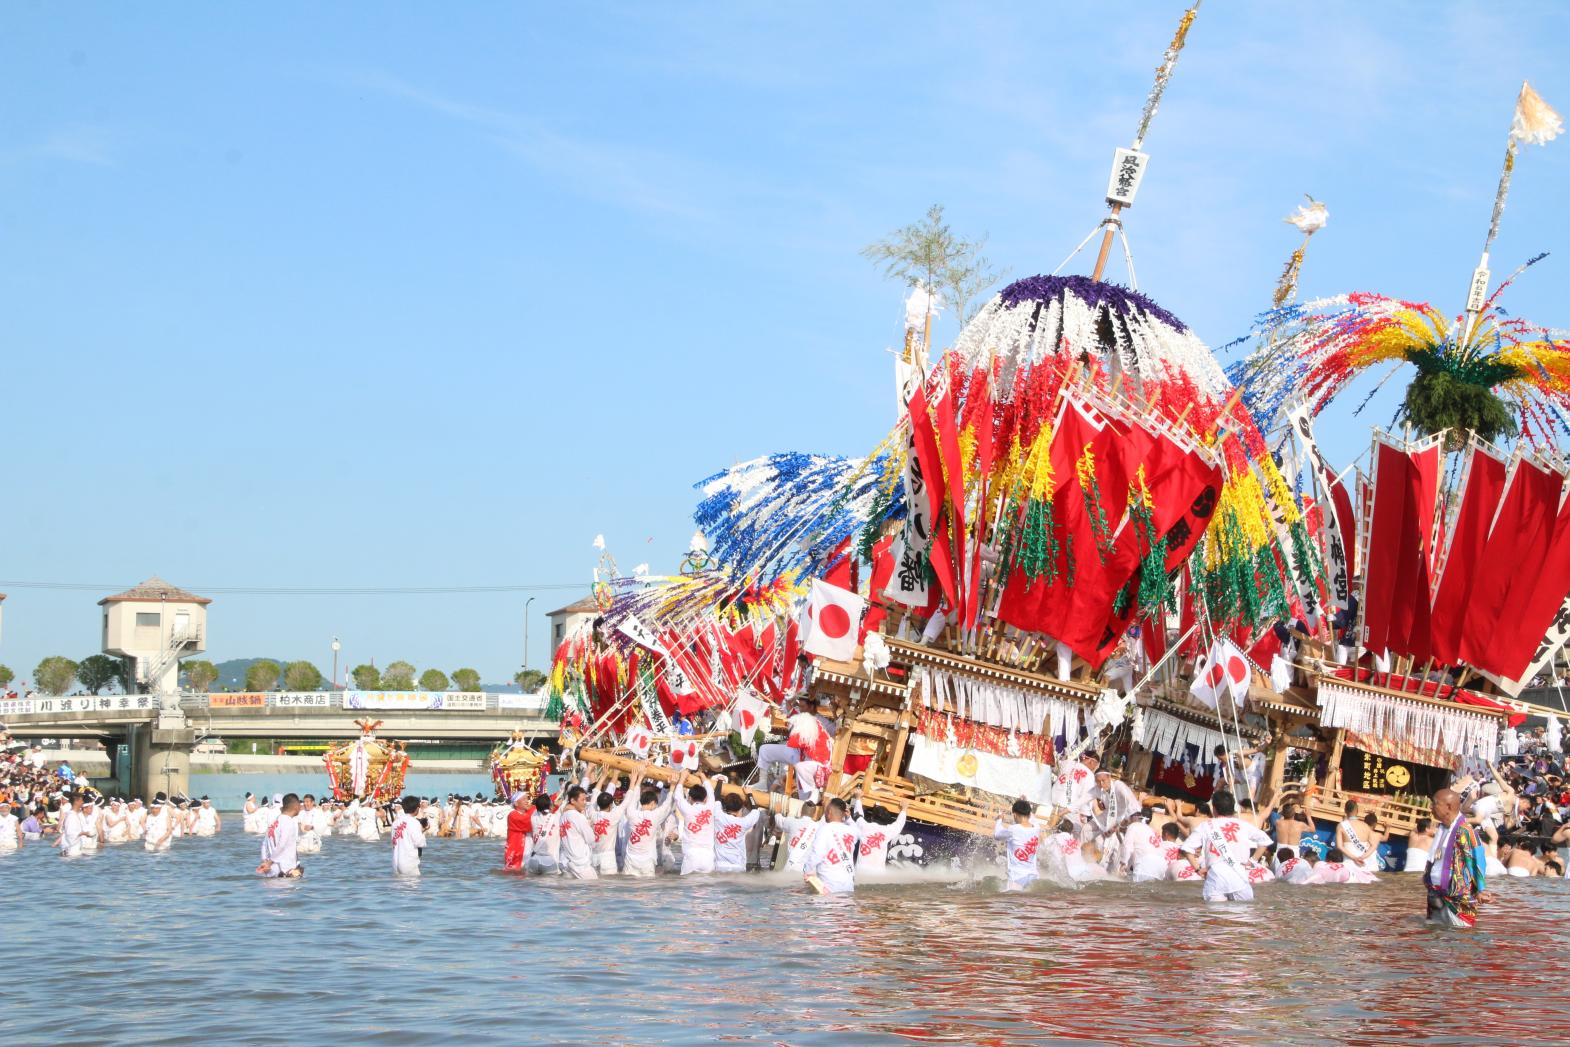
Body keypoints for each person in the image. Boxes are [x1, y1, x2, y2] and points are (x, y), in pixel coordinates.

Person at [1180, 789, 1273, 902]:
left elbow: (1186, 848)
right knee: (1242, 917)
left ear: (1214, 809)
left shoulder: (1205, 826)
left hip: (1216, 876)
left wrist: (1198, 869)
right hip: (1239, 875)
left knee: (1215, 916)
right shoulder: (1243, 825)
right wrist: (1253, 861)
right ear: (1233, 808)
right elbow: (1265, 840)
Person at [1424, 787, 1489, 928]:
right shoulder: (1441, 828)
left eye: (1435, 803)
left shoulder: (1465, 830)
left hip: (1457, 895)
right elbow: (1435, 855)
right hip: (1435, 891)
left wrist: (1481, 889)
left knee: (1461, 935)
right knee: (1433, 934)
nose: (1431, 807)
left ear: (1448, 806)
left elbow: (1477, 860)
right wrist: (1427, 875)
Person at [802, 797, 863, 894]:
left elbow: (816, 855)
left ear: (829, 812)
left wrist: (806, 871)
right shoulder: (851, 831)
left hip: (829, 888)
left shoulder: (825, 829)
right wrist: (849, 819)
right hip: (848, 888)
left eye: (825, 810)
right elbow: (859, 833)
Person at [622, 771, 675, 878]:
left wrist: (637, 780)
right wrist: (672, 786)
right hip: (647, 861)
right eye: (655, 805)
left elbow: (631, 798)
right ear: (652, 804)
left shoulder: (631, 813)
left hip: (630, 860)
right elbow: (667, 805)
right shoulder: (655, 816)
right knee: (647, 890)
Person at [993, 798, 1044, 890]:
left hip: (1016, 878)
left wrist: (999, 820)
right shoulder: (1037, 828)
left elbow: (997, 835)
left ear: (1015, 815)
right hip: (1033, 876)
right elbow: (1032, 817)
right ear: (1029, 814)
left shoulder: (1013, 829)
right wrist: (1025, 801)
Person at [713, 780, 762, 874]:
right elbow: (755, 810)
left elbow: (717, 798)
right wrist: (749, 794)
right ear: (741, 808)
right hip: (739, 867)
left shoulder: (718, 816)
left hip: (720, 867)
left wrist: (719, 782)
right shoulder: (744, 822)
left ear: (725, 807)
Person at [675, 773, 719, 875]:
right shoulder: (710, 807)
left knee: (689, 885)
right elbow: (711, 792)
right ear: (705, 799)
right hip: (708, 856)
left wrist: (682, 779)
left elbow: (677, 796)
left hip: (691, 855)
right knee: (707, 888)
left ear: (690, 798)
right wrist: (703, 776)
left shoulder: (688, 809)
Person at [852, 795, 909, 875]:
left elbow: (857, 814)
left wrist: (858, 798)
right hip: (878, 876)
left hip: (861, 873)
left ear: (872, 818)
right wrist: (904, 809)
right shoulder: (887, 831)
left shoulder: (864, 826)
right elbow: (899, 824)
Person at [257, 793, 303, 878]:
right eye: (300, 805)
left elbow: (264, 845)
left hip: (272, 871)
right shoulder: (288, 822)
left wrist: (265, 862)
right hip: (284, 870)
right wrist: (269, 863)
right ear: (296, 806)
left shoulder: (274, 822)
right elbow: (282, 844)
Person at [525, 793, 562, 875]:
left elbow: (539, 810)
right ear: (550, 806)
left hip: (534, 860)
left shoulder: (533, 817)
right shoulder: (557, 817)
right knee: (549, 887)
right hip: (550, 861)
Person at [391, 796, 427, 876]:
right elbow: (420, 843)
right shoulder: (414, 822)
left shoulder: (395, 823)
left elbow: (395, 841)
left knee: (398, 887)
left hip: (396, 862)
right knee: (412, 887)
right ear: (417, 808)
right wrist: (423, 831)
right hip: (408, 863)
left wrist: (422, 830)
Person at [504, 792, 531, 872]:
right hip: (515, 853)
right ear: (516, 803)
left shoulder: (527, 813)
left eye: (527, 799)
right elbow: (530, 824)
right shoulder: (513, 815)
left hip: (526, 851)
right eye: (524, 799)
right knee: (514, 876)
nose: (527, 801)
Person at [57, 792, 87, 858]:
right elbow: (70, 835)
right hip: (71, 854)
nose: (83, 802)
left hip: (75, 852)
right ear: (76, 802)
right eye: (81, 800)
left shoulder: (75, 815)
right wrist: (84, 833)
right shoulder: (71, 816)